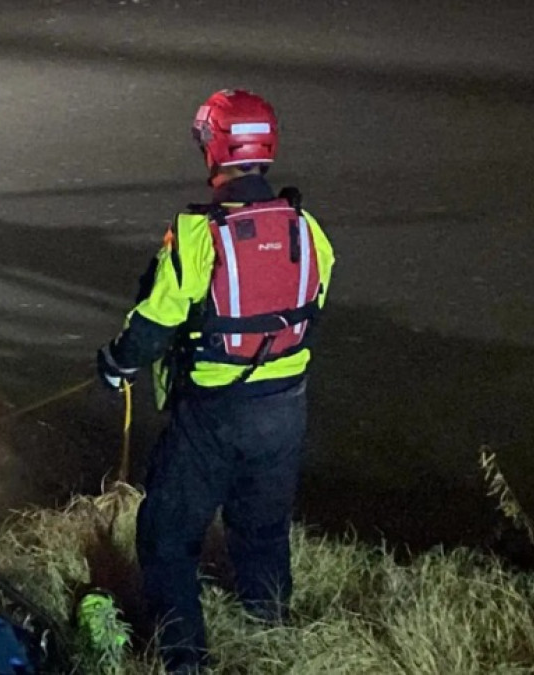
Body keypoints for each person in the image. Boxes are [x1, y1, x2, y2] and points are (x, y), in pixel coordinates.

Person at [96, 89, 335, 672]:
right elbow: (314, 302)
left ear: (213, 149)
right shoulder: (309, 231)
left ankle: (184, 658)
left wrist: (117, 362)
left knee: (165, 535)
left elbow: (156, 318)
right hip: (285, 409)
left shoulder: (199, 236)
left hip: (211, 414)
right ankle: (271, 630)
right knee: (262, 529)